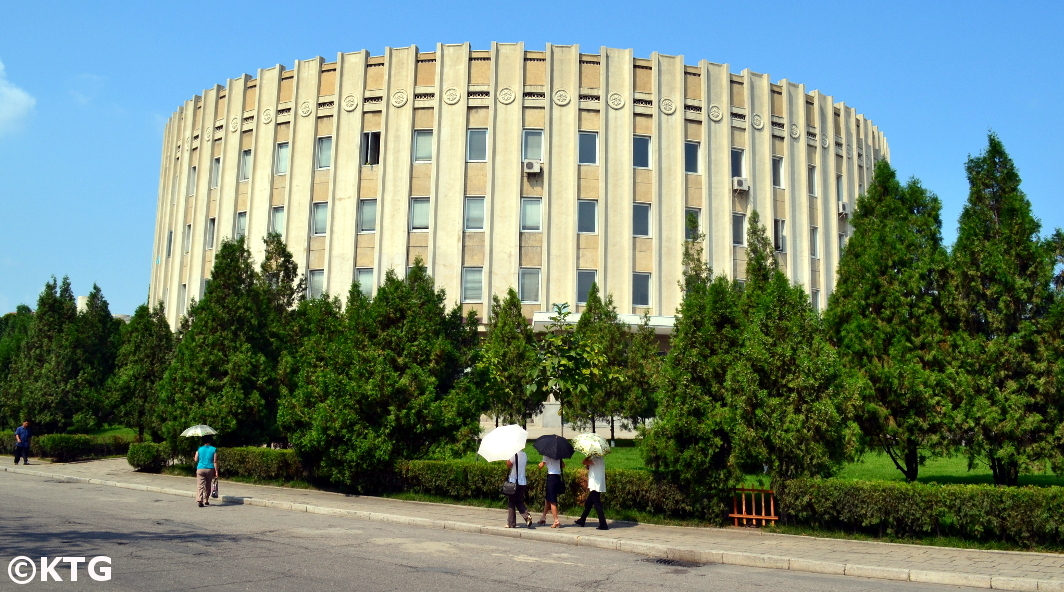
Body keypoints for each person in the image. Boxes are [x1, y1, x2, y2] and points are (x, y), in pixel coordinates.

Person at [574, 455, 608, 530]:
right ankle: (582, 520)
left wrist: (587, 456)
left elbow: (583, 462)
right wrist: (588, 465)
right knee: (588, 503)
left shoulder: (597, 459)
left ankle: (603, 524)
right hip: (595, 484)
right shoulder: (598, 459)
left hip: (595, 485)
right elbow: (589, 467)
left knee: (597, 504)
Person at [504, 450, 532, 528]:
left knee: (512, 502)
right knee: (518, 501)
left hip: (514, 482)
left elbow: (508, 465)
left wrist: (507, 457)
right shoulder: (524, 454)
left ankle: (511, 523)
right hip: (522, 482)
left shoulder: (513, 455)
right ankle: (527, 516)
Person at [537, 455, 564, 528]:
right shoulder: (559, 456)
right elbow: (563, 465)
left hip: (551, 478)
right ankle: (543, 517)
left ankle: (556, 520)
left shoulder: (546, 455)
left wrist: (539, 466)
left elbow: (541, 466)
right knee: (548, 499)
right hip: (557, 478)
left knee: (552, 500)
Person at [193, 435, 219, 508]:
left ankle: (199, 500)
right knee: (208, 485)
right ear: (210, 441)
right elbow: (215, 461)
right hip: (210, 469)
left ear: (203, 441)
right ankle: (206, 500)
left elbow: (196, 459)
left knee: (200, 485)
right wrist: (216, 471)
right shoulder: (214, 449)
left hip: (200, 468)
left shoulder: (199, 449)